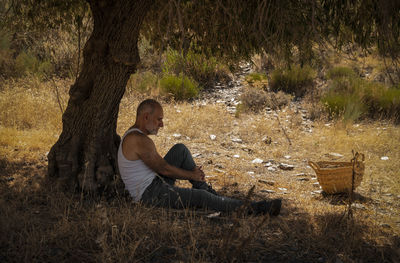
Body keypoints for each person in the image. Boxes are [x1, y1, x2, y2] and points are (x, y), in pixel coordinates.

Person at [118, 99, 281, 216]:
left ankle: (211, 195)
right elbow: (164, 169)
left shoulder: (135, 134)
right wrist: (192, 175)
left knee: (180, 149)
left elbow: (161, 168)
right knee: (202, 198)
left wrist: (193, 176)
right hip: (150, 195)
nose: (162, 124)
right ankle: (256, 208)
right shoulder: (138, 140)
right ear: (146, 117)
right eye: (159, 119)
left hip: (154, 183)